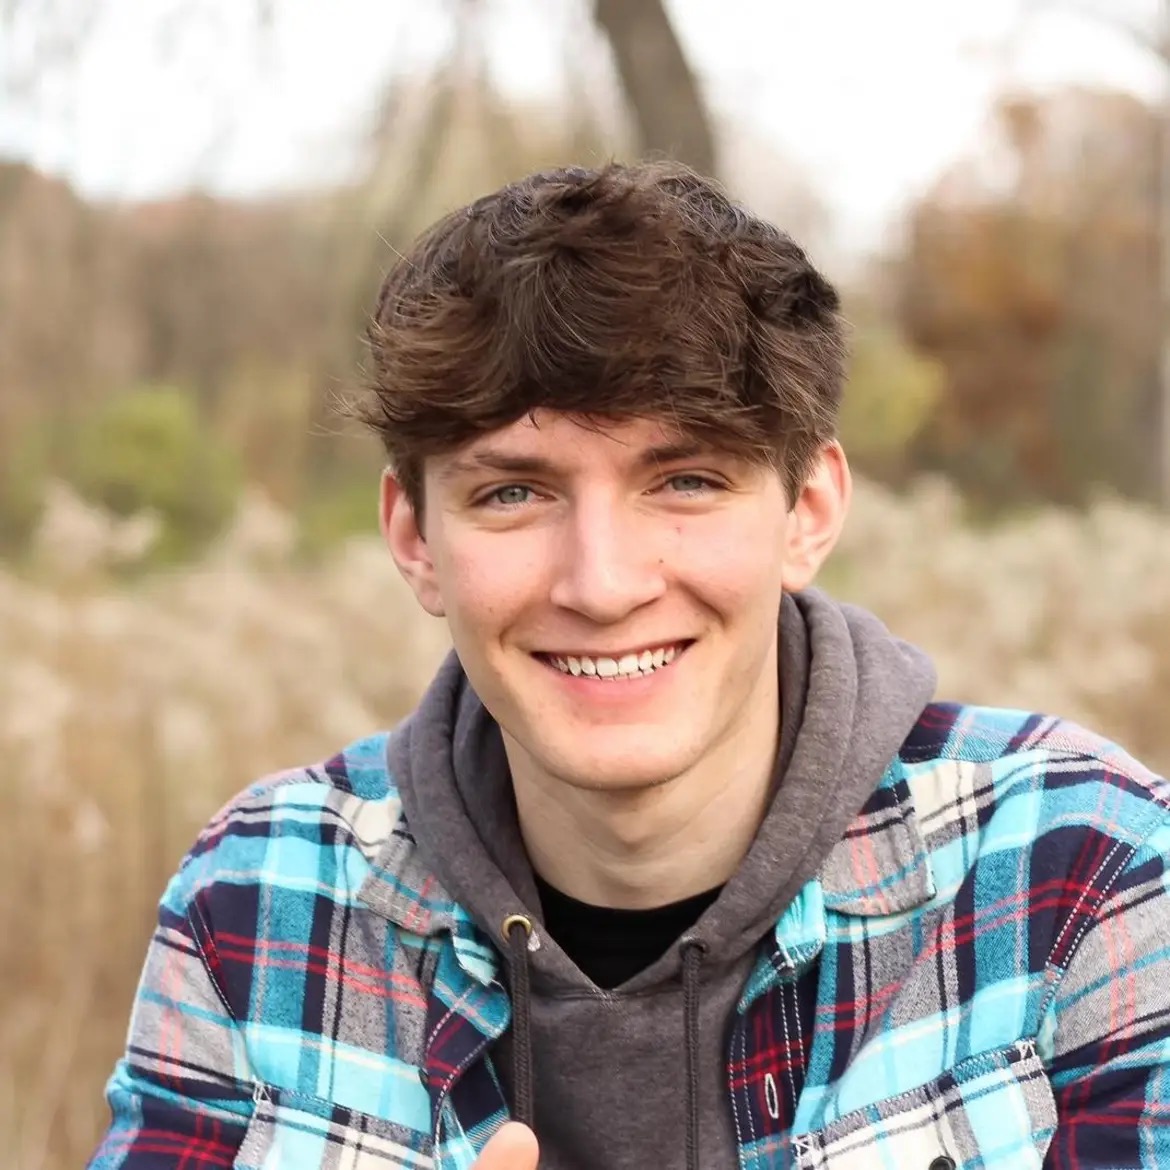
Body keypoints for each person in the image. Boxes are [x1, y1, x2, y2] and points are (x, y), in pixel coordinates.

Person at [88, 161, 1170, 1170]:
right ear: (416, 538)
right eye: (513, 493)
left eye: (685, 480)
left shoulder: (1084, 874)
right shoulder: (257, 902)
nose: (601, 585)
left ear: (808, 511)